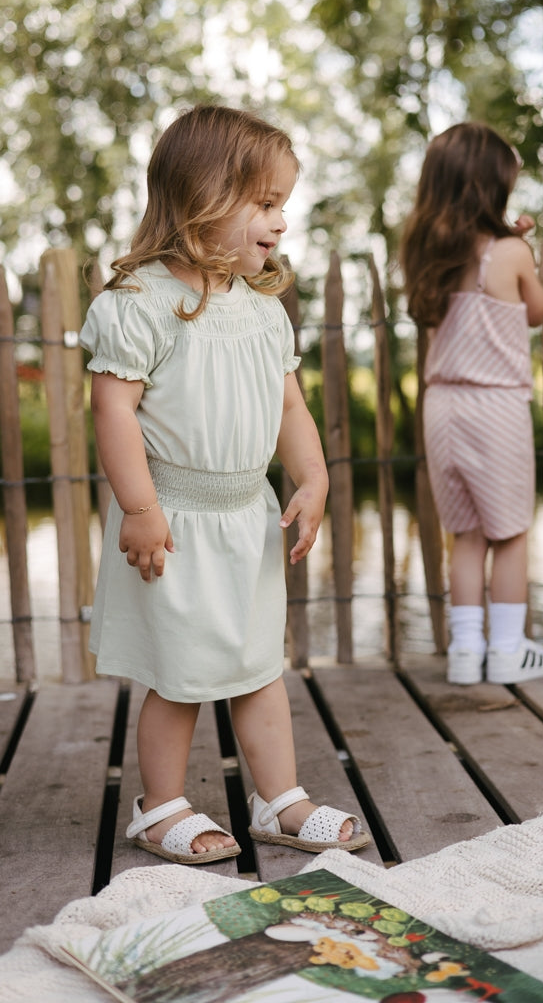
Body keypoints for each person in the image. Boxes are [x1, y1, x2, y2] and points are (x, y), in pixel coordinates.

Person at [80, 104, 370, 863]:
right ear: (204, 199)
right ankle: (160, 805)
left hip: (246, 516)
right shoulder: (141, 304)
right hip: (171, 519)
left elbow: (288, 404)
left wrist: (313, 474)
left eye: (283, 205)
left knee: (256, 666)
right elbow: (112, 411)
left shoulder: (262, 310)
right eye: (264, 203)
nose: (279, 223)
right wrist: (138, 508)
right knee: (178, 675)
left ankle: (278, 800)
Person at [400, 121, 543, 687]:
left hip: (442, 408)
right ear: (489, 189)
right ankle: (509, 651)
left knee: (466, 534)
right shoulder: (511, 252)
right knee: (511, 532)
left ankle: (467, 653)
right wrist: (527, 248)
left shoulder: (425, 255)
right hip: (496, 409)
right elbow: (538, 310)